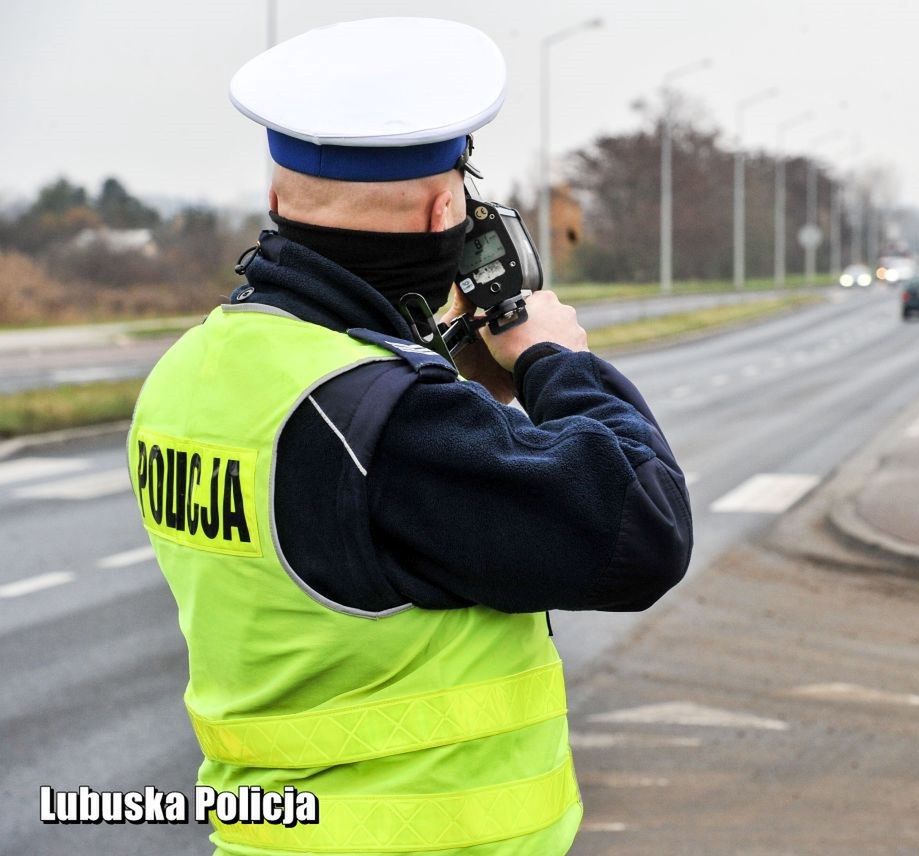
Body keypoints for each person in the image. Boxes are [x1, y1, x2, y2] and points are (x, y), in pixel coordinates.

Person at [127, 17, 691, 856]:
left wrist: (441, 359)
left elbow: (347, 510)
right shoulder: (392, 424)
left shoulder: (188, 373)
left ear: (277, 199)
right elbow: (644, 530)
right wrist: (551, 359)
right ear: (444, 208)